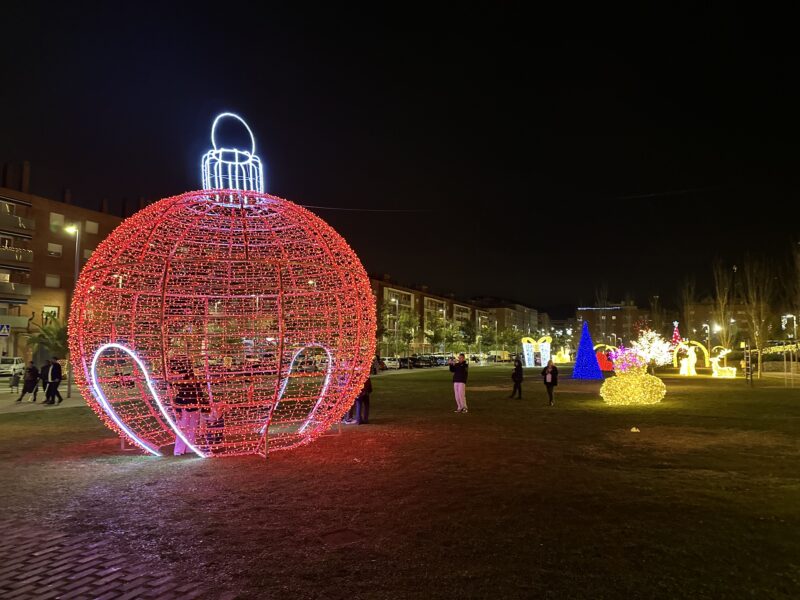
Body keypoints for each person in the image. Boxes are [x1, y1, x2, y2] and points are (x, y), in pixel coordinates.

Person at [171, 363, 205, 456]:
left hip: (194, 409)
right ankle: (179, 450)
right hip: (185, 409)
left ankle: (189, 448)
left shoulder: (196, 386)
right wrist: (178, 411)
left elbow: (200, 397)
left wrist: (202, 407)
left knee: (192, 429)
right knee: (183, 429)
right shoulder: (184, 386)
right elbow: (178, 399)